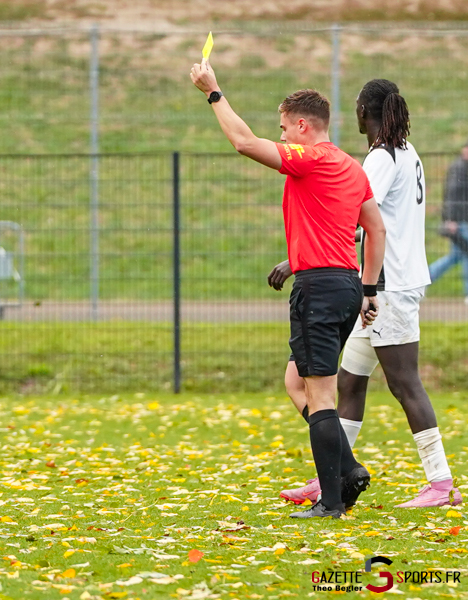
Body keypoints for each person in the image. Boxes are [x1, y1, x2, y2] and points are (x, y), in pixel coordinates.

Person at [190, 59, 386, 519]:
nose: (281, 136)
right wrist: (369, 289)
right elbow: (376, 230)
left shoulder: (311, 159)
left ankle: (331, 502)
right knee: (296, 380)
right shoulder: (351, 167)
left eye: (283, 128)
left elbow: (243, 142)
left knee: (321, 395)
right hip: (345, 286)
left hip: (318, 289)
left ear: (302, 126)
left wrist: (214, 93)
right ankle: (349, 467)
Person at [273, 80, 461, 508]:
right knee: (349, 383)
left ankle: (441, 484)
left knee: (405, 383)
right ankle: (334, 476)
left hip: (387, 287)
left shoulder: (379, 157)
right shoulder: (406, 151)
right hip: (379, 286)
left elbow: (355, 217)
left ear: (364, 112)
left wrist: (296, 261)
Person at [428, 141, 468, 300]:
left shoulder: (462, 168)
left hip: (462, 219)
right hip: (459, 221)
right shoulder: (459, 169)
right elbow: (450, 196)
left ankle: (425, 279)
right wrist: (450, 219)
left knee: (456, 256)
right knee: (463, 255)